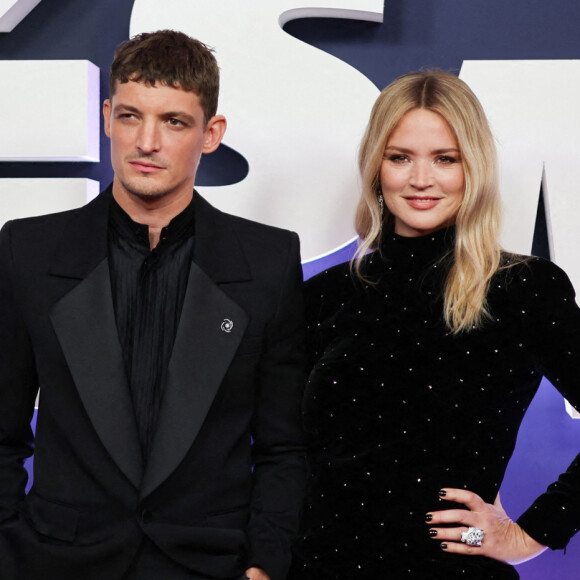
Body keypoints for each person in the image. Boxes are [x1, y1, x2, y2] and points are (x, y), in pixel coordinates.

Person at [0, 30, 307, 580]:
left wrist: (264, 564)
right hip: (57, 563)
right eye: (130, 116)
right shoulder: (27, 250)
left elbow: (284, 446)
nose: (146, 142)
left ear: (211, 134)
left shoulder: (267, 261)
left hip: (207, 564)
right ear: (105, 117)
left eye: (173, 121)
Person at [290, 70, 580, 579]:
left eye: (445, 159)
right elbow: (277, 454)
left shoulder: (524, 290)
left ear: (475, 168)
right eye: (399, 157)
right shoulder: (323, 295)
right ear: (376, 166)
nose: (420, 179)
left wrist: (530, 534)